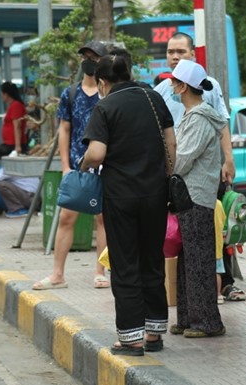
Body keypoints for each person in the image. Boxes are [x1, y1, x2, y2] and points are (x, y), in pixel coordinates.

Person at [80, 53, 175, 356]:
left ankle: (131, 338)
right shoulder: (153, 98)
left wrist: (82, 164)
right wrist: (167, 174)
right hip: (155, 193)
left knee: (125, 265)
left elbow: (96, 153)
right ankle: (153, 334)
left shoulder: (105, 107)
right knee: (152, 260)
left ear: (103, 82)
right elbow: (171, 143)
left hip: (121, 196)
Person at [33, 41, 109, 291]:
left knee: (103, 219)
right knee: (67, 216)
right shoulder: (70, 93)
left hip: (105, 165)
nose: (89, 61)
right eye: (85, 56)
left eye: (94, 57)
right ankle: (57, 274)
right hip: (77, 166)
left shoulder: (109, 92)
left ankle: (100, 271)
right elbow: (64, 129)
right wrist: (65, 165)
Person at [168, 59, 227, 338]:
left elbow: (182, 160)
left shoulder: (200, 118)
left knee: (199, 261)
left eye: (174, 82)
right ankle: (188, 319)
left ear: (183, 87)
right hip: (186, 198)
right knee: (186, 260)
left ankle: (206, 323)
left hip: (196, 198)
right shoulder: (191, 115)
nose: (170, 86)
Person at [154, 32, 235, 184]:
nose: (175, 57)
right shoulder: (159, 91)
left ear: (192, 54)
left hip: (203, 170)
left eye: (181, 52)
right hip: (173, 170)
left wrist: (229, 159)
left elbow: (221, 123)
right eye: (171, 52)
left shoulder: (210, 86)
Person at [0, 81, 28, 160]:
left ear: (6, 94)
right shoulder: (12, 106)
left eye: (2, 93)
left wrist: (17, 146)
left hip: (13, 143)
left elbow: (17, 126)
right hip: (9, 142)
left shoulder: (16, 105)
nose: (1, 96)